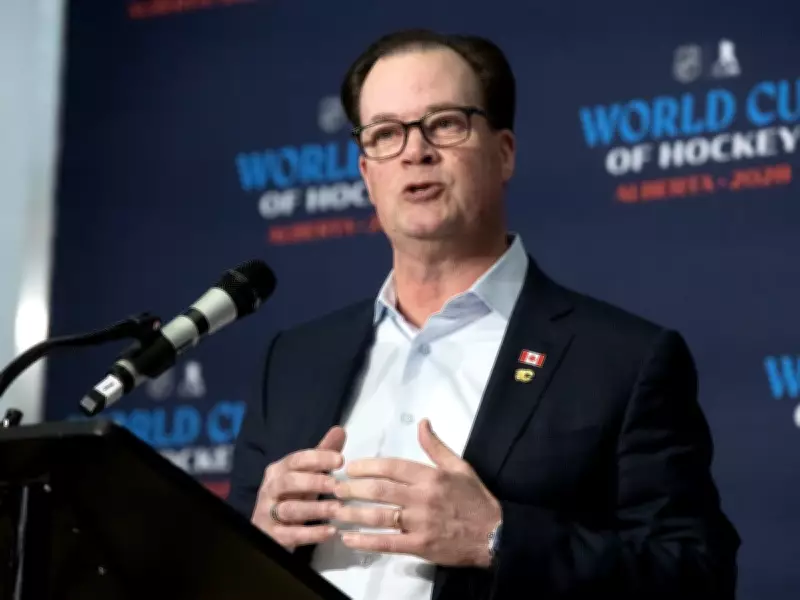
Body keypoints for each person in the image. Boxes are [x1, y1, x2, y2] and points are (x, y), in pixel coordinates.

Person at [228, 28, 740, 600]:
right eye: (386, 133)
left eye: (445, 123)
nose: (415, 151)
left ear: (504, 154)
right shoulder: (293, 362)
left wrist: (496, 538)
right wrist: (252, 542)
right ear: (367, 176)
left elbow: (696, 577)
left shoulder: (622, 361)